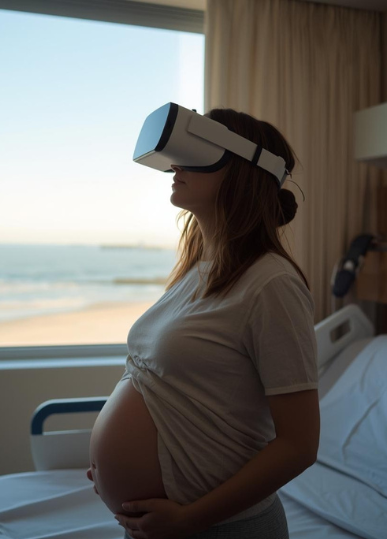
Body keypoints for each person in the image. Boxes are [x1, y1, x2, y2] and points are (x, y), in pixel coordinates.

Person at [87, 108, 320, 539]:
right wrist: (112, 464)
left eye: (195, 154)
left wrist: (190, 518)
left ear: (244, 171)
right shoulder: (198, 269)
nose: (176, 166)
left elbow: (299, 446)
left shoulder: (272, 284)